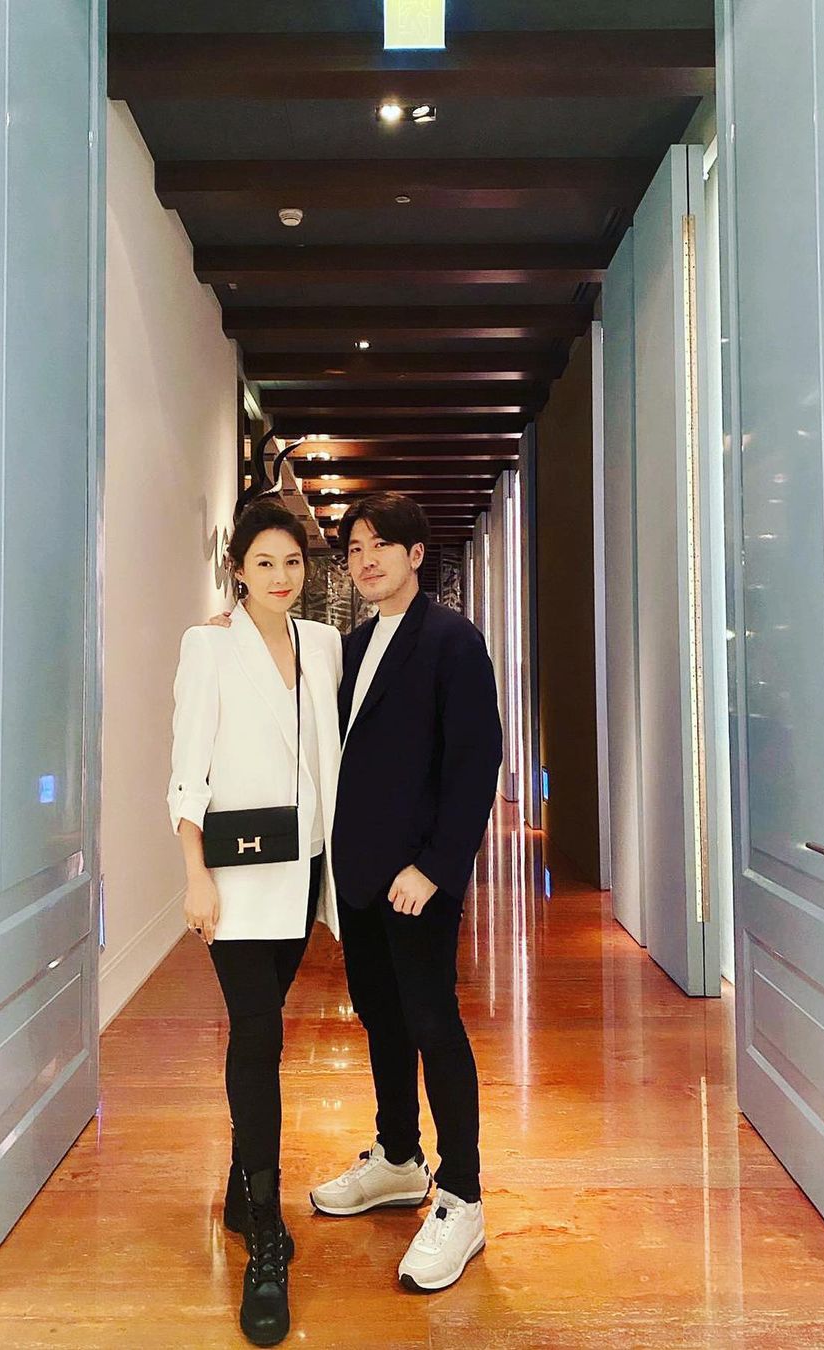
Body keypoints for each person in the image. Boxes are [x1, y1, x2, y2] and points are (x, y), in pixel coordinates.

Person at [308, 492, 503, 1294]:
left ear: (416, 555)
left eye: (381, 545)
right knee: (380, 1018)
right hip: (359, 877)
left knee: (432, 1023)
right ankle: (397, 1158)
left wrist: (437, 865)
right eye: (354, 549)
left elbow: (476, 760)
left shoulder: (452, 640)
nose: (365, 560)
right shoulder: (352, 647)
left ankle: (462, 1195)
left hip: (417, 880)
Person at [168, 498, 342, 1347]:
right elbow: (186, 770)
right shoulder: (208, 646)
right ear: (236, 569)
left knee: (265, 1022)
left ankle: (243, 1186)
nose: (281, 576)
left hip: (302, 871)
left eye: (293, 562)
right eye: (264, 562)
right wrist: (194, 874)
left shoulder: (325, 644)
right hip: (234, 880)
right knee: (258, 1034)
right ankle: (266, 1233)